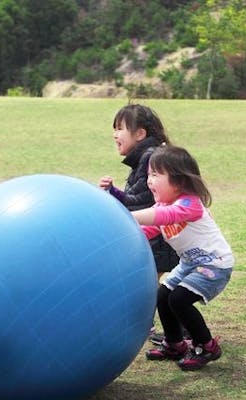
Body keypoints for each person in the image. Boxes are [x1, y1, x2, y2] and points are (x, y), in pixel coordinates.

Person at [131, 145, 234, 371]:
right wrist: (126, 234)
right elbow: (149, 230)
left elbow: (166, 216)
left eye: (156, 175)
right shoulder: (163, 205)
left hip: (214, 264)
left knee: (179, 299)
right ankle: (175, 344)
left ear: (178, 181)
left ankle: (206, 346)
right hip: (189, 264)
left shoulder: (189, 204)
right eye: (149, 174)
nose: (149, 180)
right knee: (163, 295)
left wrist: (127, 216)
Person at [98, 104, 180, 340]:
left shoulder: (150, 158)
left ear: (140, 133)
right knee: (149, 284)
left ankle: (150, 327)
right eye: (114, 128)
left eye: (120, 128)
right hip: (157, 233)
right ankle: (153, 326)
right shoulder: (146, 157)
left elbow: (143, 200)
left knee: (144, 284)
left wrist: (114, 194)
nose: (115, 134)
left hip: (159, 236)